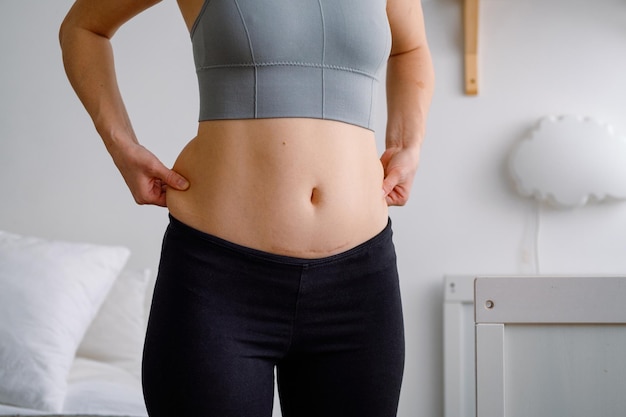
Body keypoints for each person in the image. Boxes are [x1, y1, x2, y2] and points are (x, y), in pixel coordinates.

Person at [59, 0, 433, 416]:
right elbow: (83, 28)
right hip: (218, 283)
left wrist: (407, 144)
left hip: (359, 285)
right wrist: (122, 147)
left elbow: (410, 49)